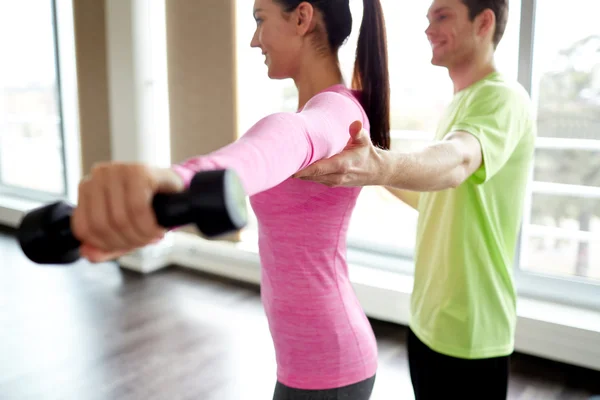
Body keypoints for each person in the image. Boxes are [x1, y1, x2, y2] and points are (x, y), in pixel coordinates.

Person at [71, 0, 390, 399]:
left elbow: (286, 140)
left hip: (330, 363)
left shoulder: (337, 111)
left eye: (260, 20)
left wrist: (180, 180)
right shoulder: (329, 108)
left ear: (302, 18)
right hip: (305, 359)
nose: (255, 41)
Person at [294, 0, 537, 399]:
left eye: (442, 16)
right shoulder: (461, 102)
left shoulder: (502, 97)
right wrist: (366, 167)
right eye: (427, 18)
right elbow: (439, 197)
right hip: (428, 321)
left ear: (484, 22)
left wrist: (380, 165)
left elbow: (457, 162)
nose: (428, 28)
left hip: (471, 333)